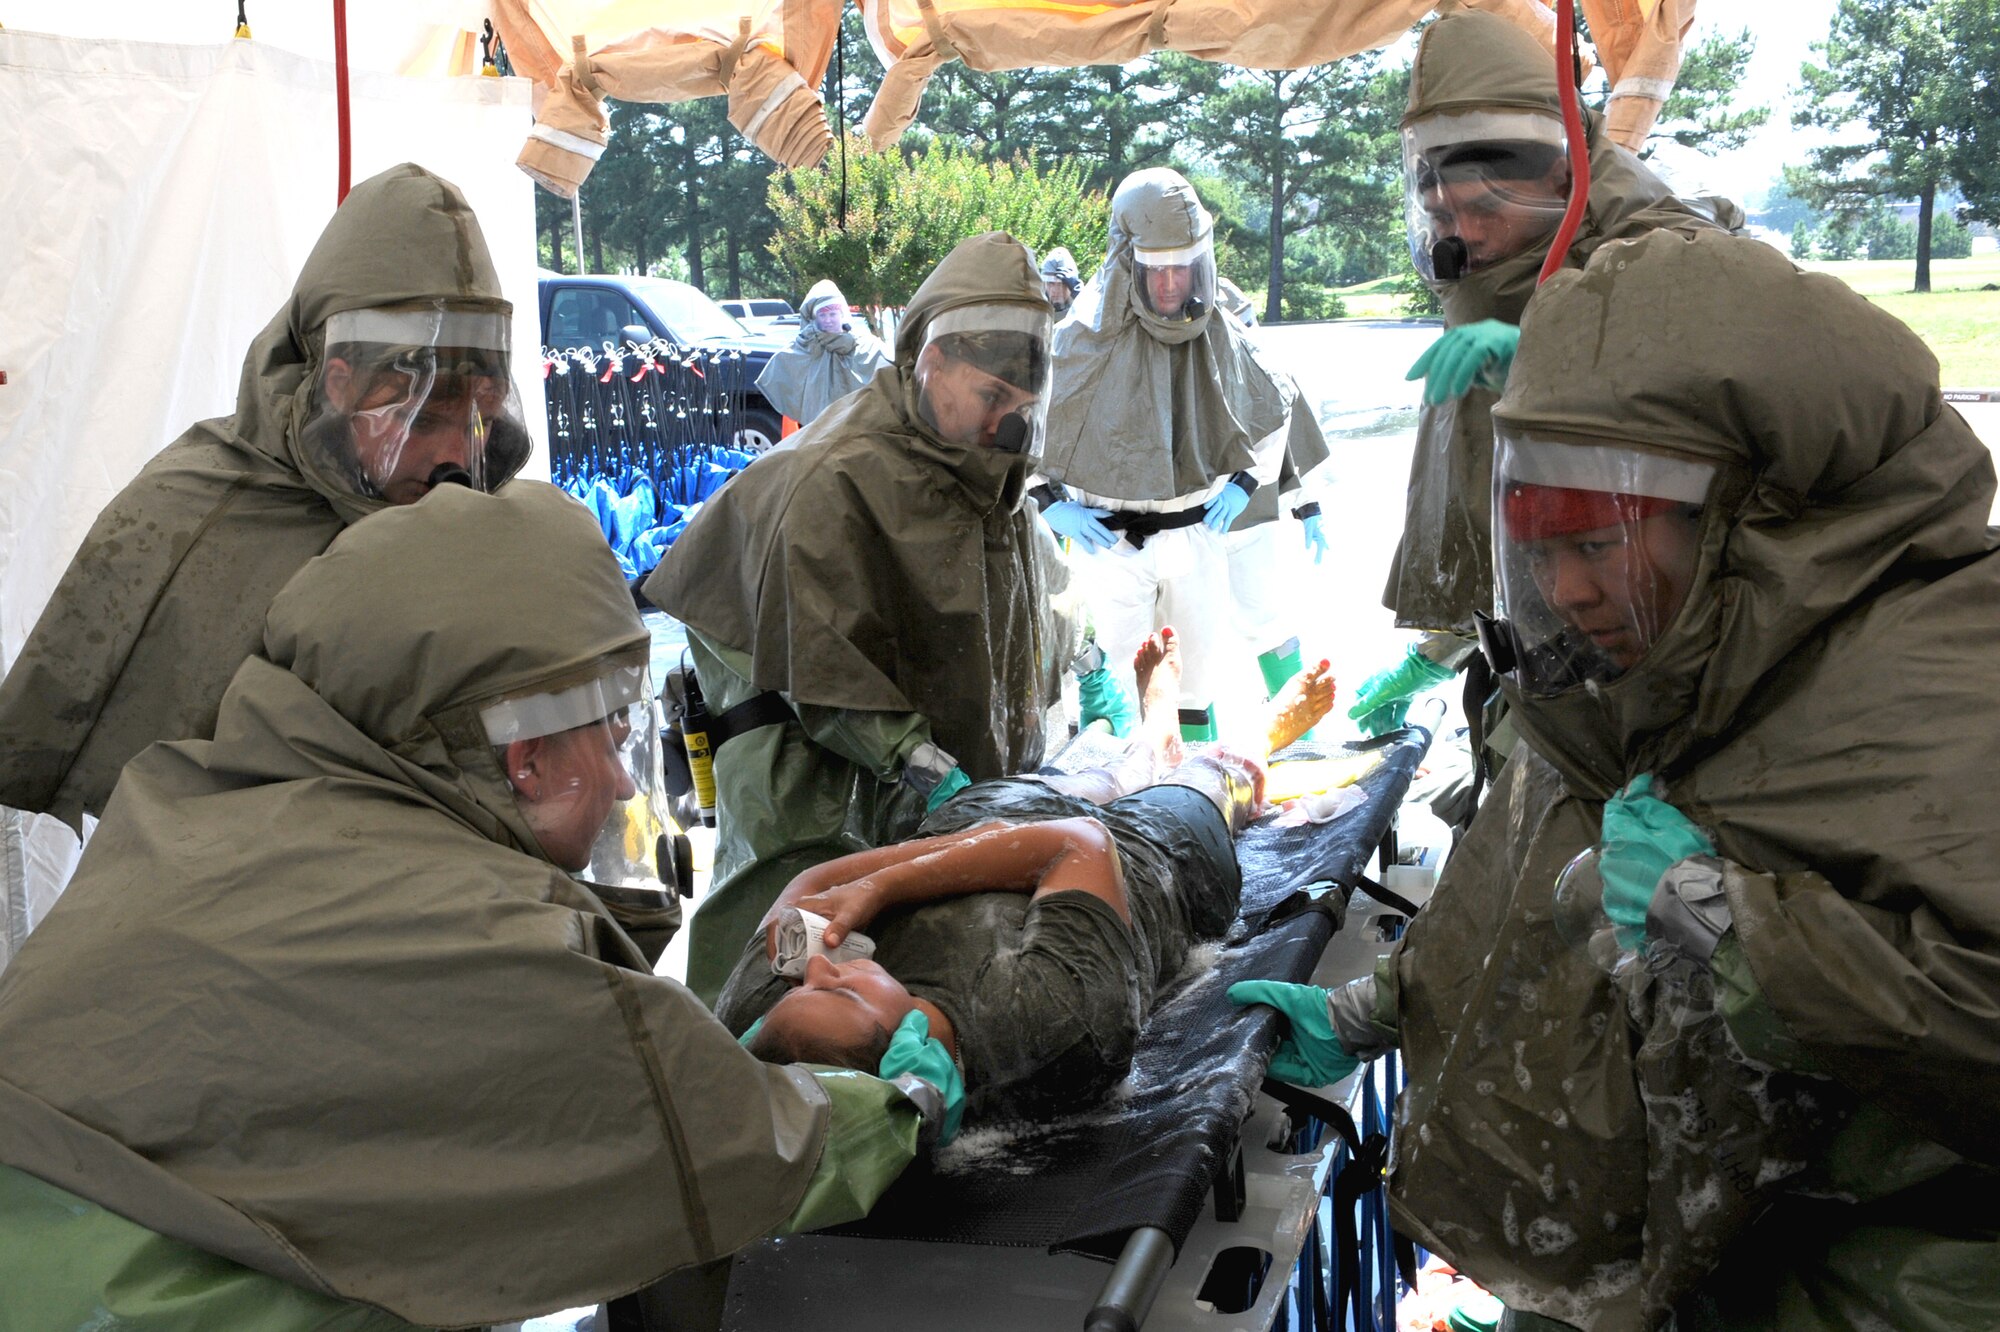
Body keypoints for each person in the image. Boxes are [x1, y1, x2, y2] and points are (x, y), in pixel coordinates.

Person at [1234, 231, 2000, 1328]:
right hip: (1650, 1256)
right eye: (1537, 551)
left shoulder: (1933, 679)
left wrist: (1738, 930)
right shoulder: (1643, 664)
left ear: (1744, 516)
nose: (1567, 590)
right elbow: (1523, 876)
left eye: (1597, 544)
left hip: (1867, 1274)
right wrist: (1385, 1004)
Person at [0, 482, 958, 1330]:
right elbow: (733, 1152)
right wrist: (904, 1102)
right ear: (525, 757)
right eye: (611, 736)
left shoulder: (190, 802)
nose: (628, 785)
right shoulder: (476, 938)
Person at [0, 163, 531, 873]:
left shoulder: (487, 525)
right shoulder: (197, 508)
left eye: (475, 418)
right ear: (339, 384)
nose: (450, 459)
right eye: (418, 416)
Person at [644, 231, 1084, 1005]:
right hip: (777, 702)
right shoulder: (834, 475)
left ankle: (878, 1028)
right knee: (797, 888)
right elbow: (819, 658)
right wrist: (918, 761)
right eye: (991, 399)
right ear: (933, 363)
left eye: (1020, 409)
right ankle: (742, 1053)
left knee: (903, 889)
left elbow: (1026, 583)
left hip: (872, 700)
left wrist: (1079, 653)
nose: (1004, 427)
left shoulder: (978, 460)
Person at [721, 628, 1334, 1118]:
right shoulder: (1048, 1027)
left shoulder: (776, 1024)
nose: (820, 968)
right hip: (1147, 867)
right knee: (1210, 784)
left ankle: (1151, 738)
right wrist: (884, 884)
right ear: (916, 1044)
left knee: (1098, 781)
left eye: (808, 985)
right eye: (844, 990)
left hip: (989, 823)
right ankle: (1252, 739)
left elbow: (806, 887)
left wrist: (943, 851)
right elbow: (1078, 844)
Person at [1351, 9, 1735, 785]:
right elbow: (1511, 515)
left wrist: (1567, 365)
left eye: (1486, 209)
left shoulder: (1665, 254)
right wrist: (1442, 651)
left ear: (1560, 170)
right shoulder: (1497, 285)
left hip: (1644, 686)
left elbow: (1725, 425)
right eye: (1444, 216)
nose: (1469, 238)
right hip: (1537, 661)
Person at [1036, 168, 1291, 742]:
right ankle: (1118, 796)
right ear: (1128, 260)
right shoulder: (1079, 338)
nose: (1173, 282)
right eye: (1159, 267)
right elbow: (1026, 431)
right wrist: (1049, 504)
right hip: (1111, 544)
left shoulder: (1217, 332)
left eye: (1185, 265)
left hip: (1199, 536)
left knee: (1197, 678)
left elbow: (1274, 408)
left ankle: (1194, 789)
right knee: (1122, 680)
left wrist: (1245, 485)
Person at [754, 278, 894, 428]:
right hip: (817, 430)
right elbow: (780, 369)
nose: (828, 320)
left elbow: (890, 366)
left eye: (833, 314)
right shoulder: (804, 346)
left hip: (857, 430)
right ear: (814, 318)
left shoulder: (865, 345)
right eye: (822, 315)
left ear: (842, 315)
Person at [1041, 246, 1083, 317]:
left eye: (1061, 284)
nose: (1054, 290)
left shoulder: (1086, 306)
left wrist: (1079, 295)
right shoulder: (1039, 309)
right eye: (1050, 283)